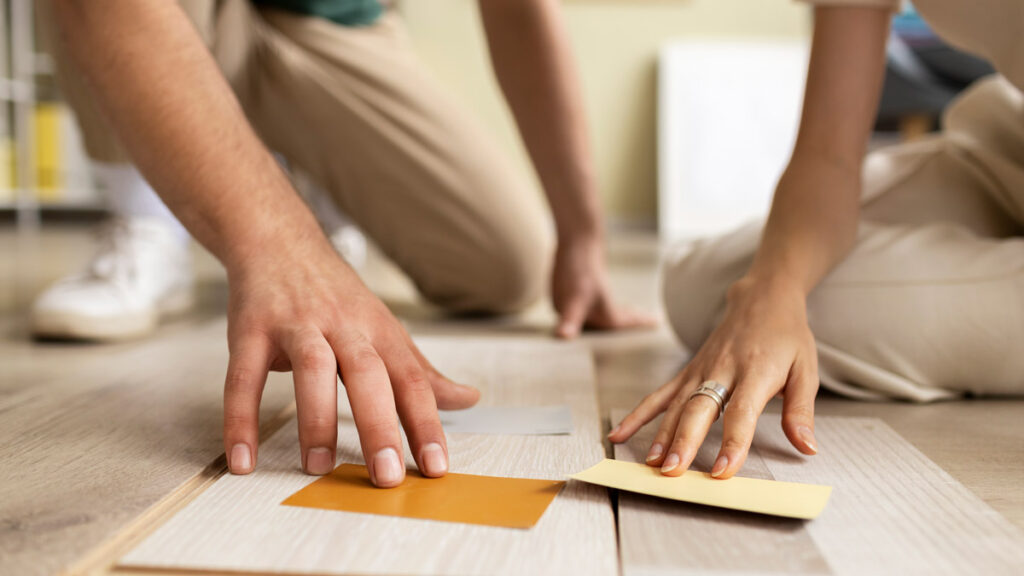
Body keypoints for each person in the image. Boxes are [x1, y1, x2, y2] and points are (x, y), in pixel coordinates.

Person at [42, 0, 654, 487]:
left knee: (505, 267)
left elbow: (518, 9)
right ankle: (149, 218)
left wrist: (580, 235)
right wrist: (278, 246)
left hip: (334, 19)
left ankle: (312, 189)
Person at [611, 0, 1024, 479]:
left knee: (781, 316)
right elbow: (830, 154)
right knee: (701, 287)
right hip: (1008, 144)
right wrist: (771, 291)